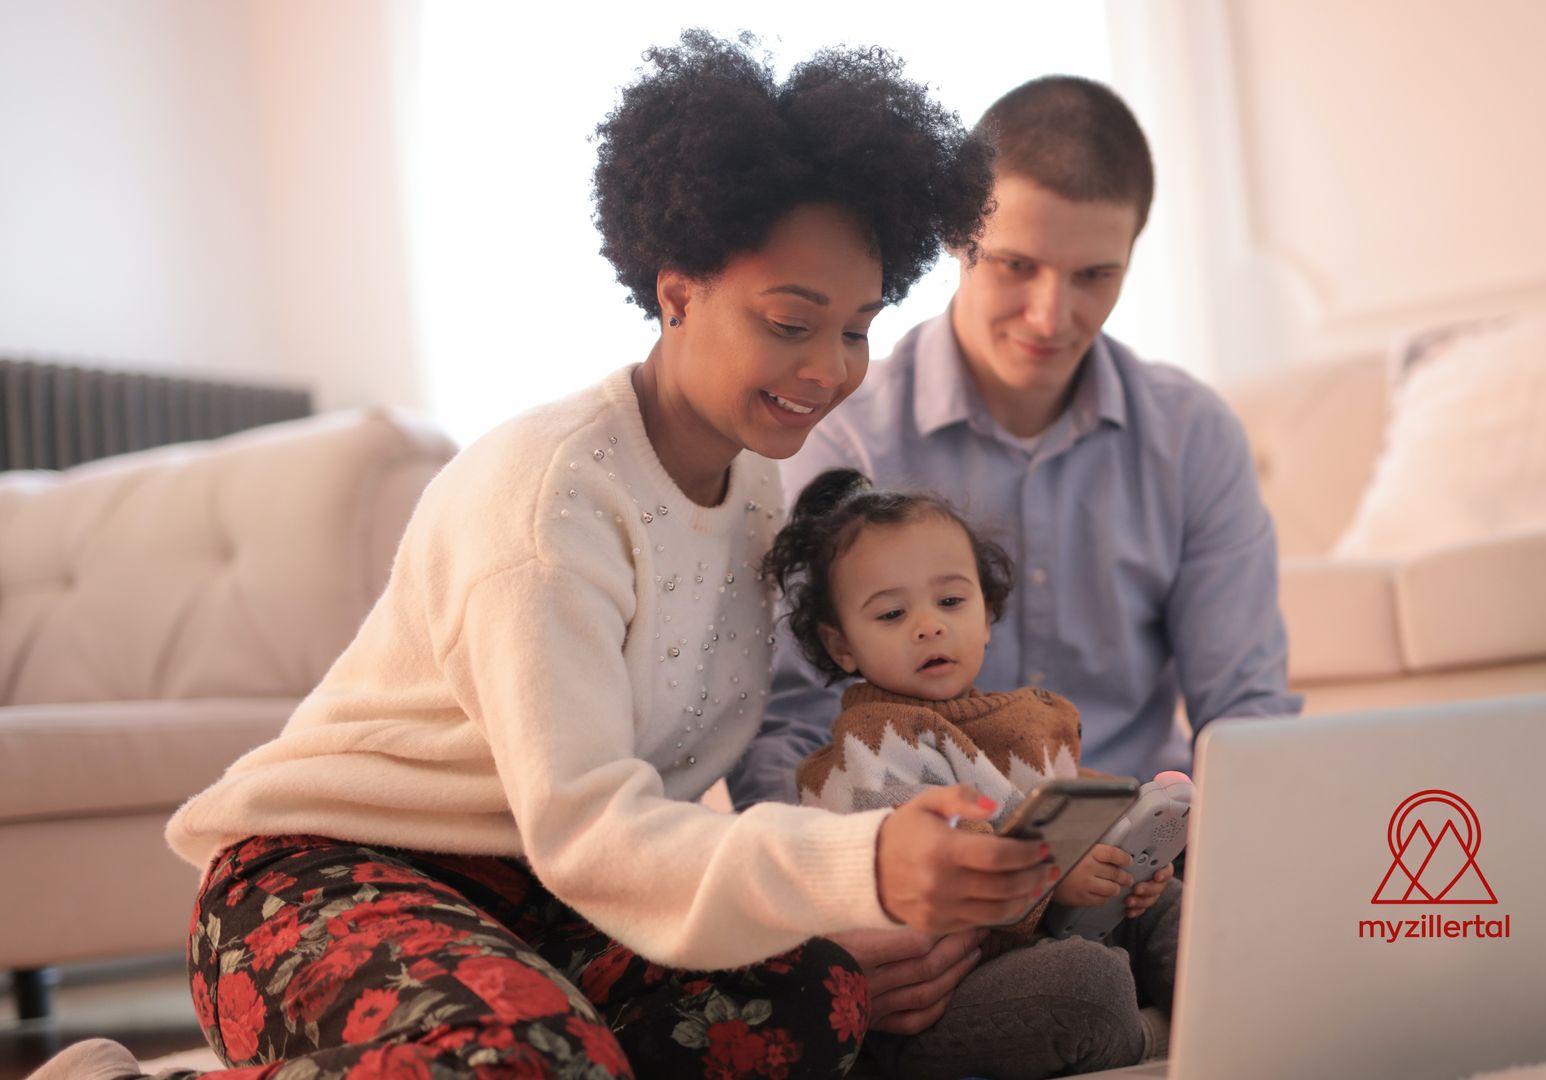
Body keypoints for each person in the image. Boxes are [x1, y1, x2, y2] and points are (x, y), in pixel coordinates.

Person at [32, 31, 1045, 1080]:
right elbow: (596, 834)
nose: (831, 369)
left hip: (538, 896)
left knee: (809, 997)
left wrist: (838, 900)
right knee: (520, 1064)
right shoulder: (551, 498)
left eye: (857, 329)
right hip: (321, 877)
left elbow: (637, 831)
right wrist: (861, 865)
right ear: (678, 290)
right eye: (792, 321)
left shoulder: (752, 486)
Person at [728, 72, 1304, 1038]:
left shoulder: (1192, 435)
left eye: (1094, 277)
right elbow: (782, 723)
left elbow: (1244, 714)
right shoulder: (842, 435)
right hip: (940, 885)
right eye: (1015, 266)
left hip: (1142, 865)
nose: (1051, 316)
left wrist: (1256, 870)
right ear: (957, 241)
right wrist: (833, 912)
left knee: (1294, 961)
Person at [766, 467, 1182, 1079]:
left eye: (951, 601)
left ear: (986, 615)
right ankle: (1155, 1039)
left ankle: (1229, 1009)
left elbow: (1081, 808)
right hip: (945, 997)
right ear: (841, 646)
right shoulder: (872, 745)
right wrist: (1055, 880)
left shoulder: (1031, 717)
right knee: (1086, 987)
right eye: (889, 615)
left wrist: (1133, 862)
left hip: (1058, 936)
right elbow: (938, 868)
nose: (928, 624)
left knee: (1182, 908)